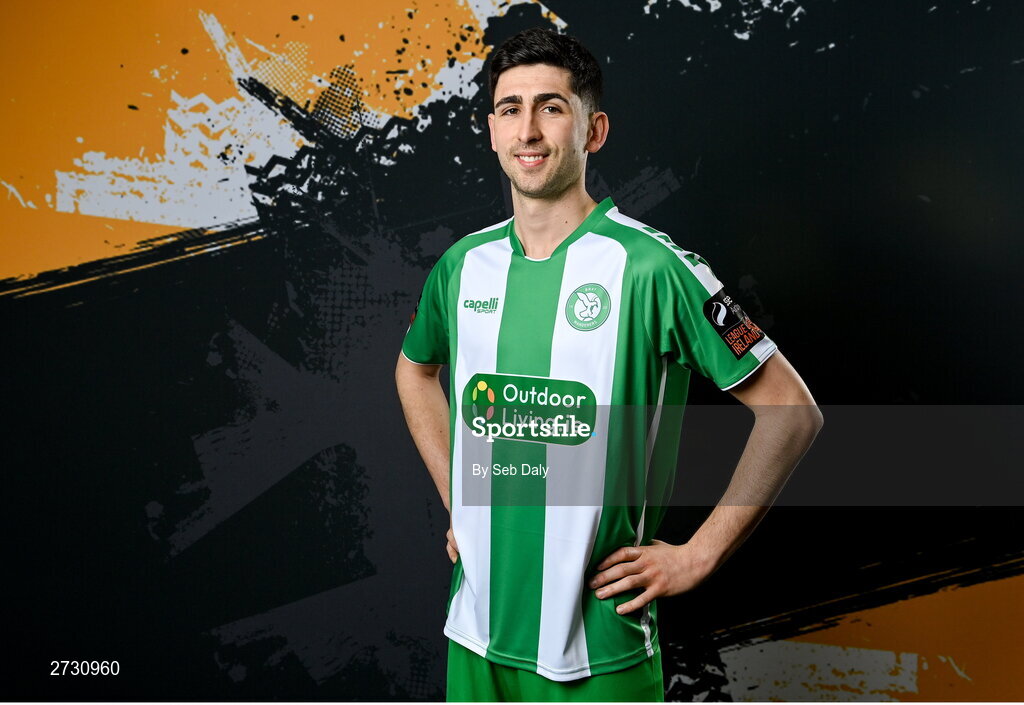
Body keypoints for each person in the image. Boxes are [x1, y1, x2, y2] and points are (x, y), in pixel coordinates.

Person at [395, 27, 822, 702]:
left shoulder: (653, 267)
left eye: (551, 107)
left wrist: (698, 552)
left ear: (593, 131)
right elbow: (414, 370)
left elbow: (792, 412)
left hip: (597, 651)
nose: (528, 130)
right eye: (511, 109)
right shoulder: (463, 264)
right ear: (491, 131)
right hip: (474, 633)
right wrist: (462, 495)